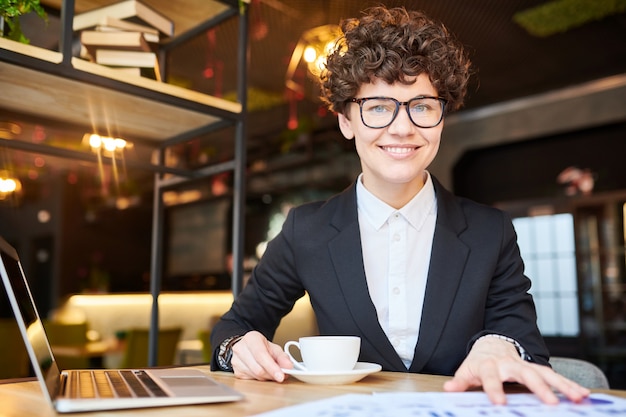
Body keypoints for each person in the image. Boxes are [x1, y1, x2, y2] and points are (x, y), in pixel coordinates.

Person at [210, 6, 590, 405]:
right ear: (345, 120)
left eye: (422, 106)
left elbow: (523, 340)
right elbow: (235, 327)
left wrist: (499, 346)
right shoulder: (306, 229)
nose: (402, 128)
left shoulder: (489, 231)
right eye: (377, 107)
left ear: (442, 118)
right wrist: (239, 346)